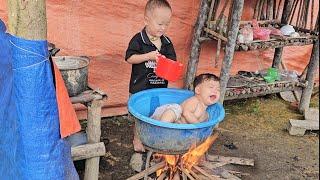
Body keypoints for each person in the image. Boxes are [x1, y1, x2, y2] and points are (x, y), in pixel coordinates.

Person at [125, 0, 176, 153]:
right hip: (140, 86)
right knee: (140, 116)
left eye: (166, 24)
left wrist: (168, 65)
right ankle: (138, 138)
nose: (163, 28)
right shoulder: (139, 40)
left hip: (159, 87)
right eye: (160, 24)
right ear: (146, 20)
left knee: (156, 113)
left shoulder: (166, 42)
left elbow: (173, 62)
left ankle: (153, 138)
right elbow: (129, 58)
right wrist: (147, 56)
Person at [151, 73, 220, 124]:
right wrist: (198, 125)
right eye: (211, 87)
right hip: (161, 117)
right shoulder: (195, 100)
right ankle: (162, 125)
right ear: (198, 90)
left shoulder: (206, 115)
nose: (215, 91)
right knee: (176, 108)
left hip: (175, 126)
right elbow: (186, 113)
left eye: (218, 89)